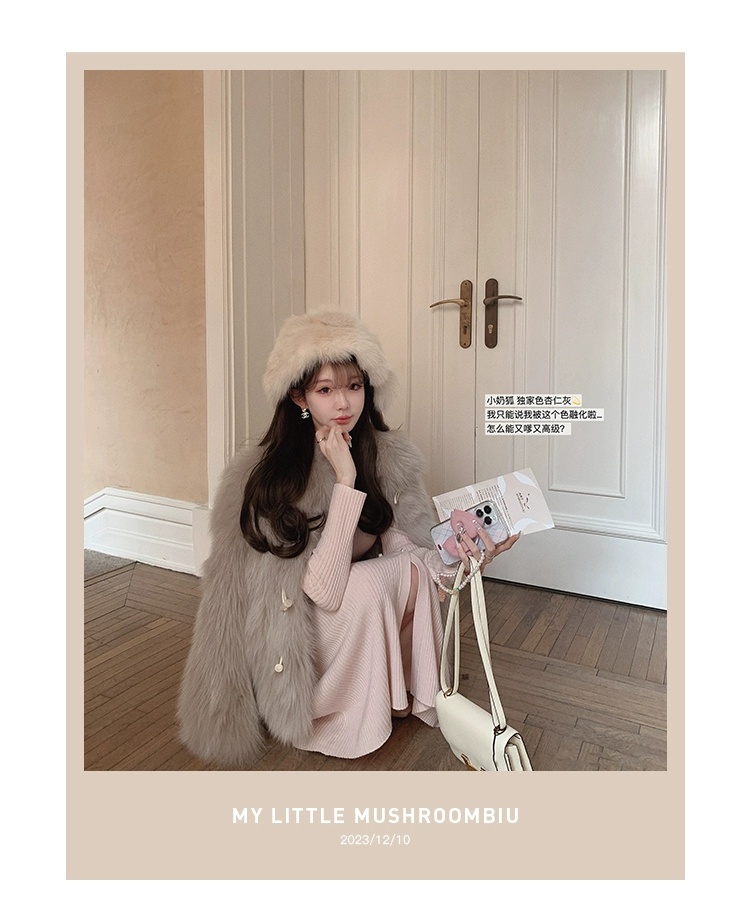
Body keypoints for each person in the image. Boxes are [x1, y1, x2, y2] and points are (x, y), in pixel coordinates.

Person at [177, 311, 518, 767]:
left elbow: (417, 560)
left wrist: (471, 557)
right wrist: (345, 480)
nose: (344, 403)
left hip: (350, 610)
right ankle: (345, 712)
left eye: (354, 386)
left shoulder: (385, 455)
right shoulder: (270, 476)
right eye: (325, 390)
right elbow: (322, 589)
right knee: (371, 582)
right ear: (299, 396)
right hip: (298, 634)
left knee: (407, 567)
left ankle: (397, 692)